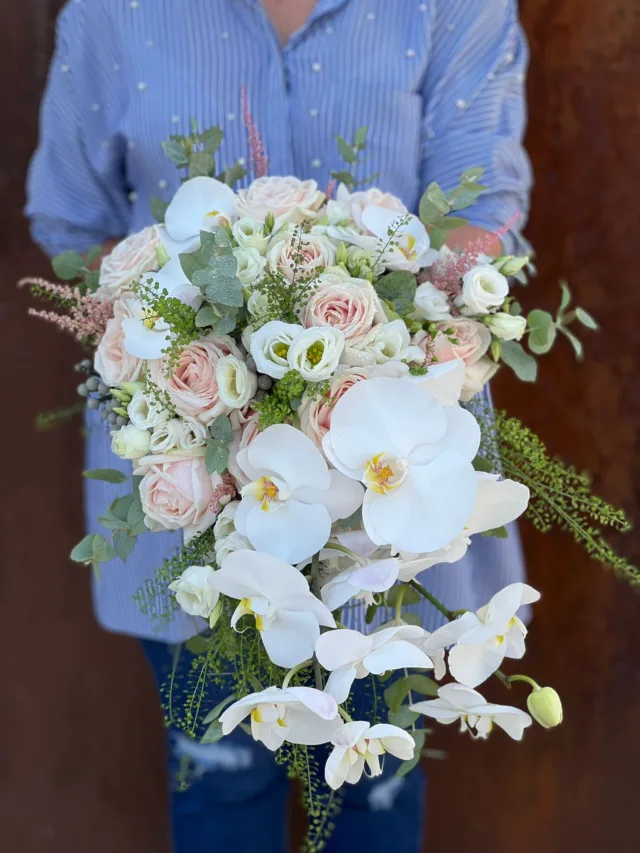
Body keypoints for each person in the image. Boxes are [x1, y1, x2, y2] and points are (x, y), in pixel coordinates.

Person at [26, 1, 531, 851]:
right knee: (221, 783)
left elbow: (485, 209)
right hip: (191, 499)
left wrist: (373, 346)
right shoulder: (112, 14)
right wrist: (192, 358)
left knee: (373, 786)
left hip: (391, 515)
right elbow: (73, 225)